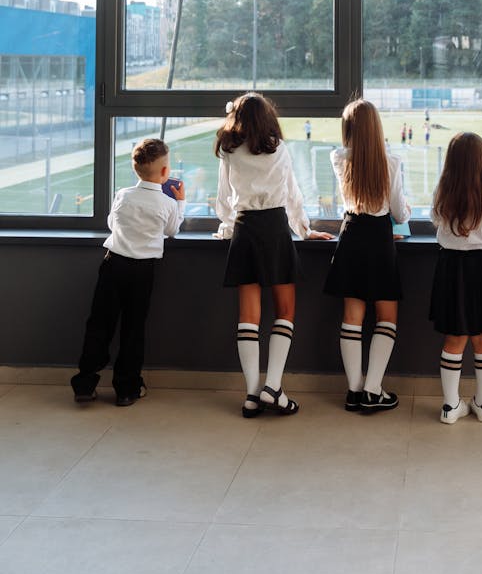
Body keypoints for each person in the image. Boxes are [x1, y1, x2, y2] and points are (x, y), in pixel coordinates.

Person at [214, 92, 331, 418]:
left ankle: (252, 395)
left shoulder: (229, 150)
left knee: (247, 316)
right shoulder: (278, 149)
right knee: (286, 309)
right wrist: (304, 230)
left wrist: (226, 227)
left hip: (244, 229)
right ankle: (273, 387)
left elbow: (224, 199)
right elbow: (292, 194)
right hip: (275, 229)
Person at [71, 138, 185, 406]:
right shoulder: (167, 203)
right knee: (133, 330)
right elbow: (172, 230)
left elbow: (112, 222)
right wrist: (180, 202)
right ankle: (127, 389)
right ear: (165, 173)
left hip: (113, 265)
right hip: (142, 271)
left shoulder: (122, 194)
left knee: (99, 324)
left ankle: (85, 383)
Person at [323, 98, 410, 413]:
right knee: (386, 317)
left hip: (351, 235)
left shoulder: (338, 157)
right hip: (378, 238)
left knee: (352, 317)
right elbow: (399, 213)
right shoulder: (392, 161)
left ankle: (354, 390)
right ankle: (373, 390)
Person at [429, 132, 482, 424]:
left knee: (454, 337)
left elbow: (436, 222)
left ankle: (451, 406)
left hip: (452, 267)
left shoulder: (443, 191)